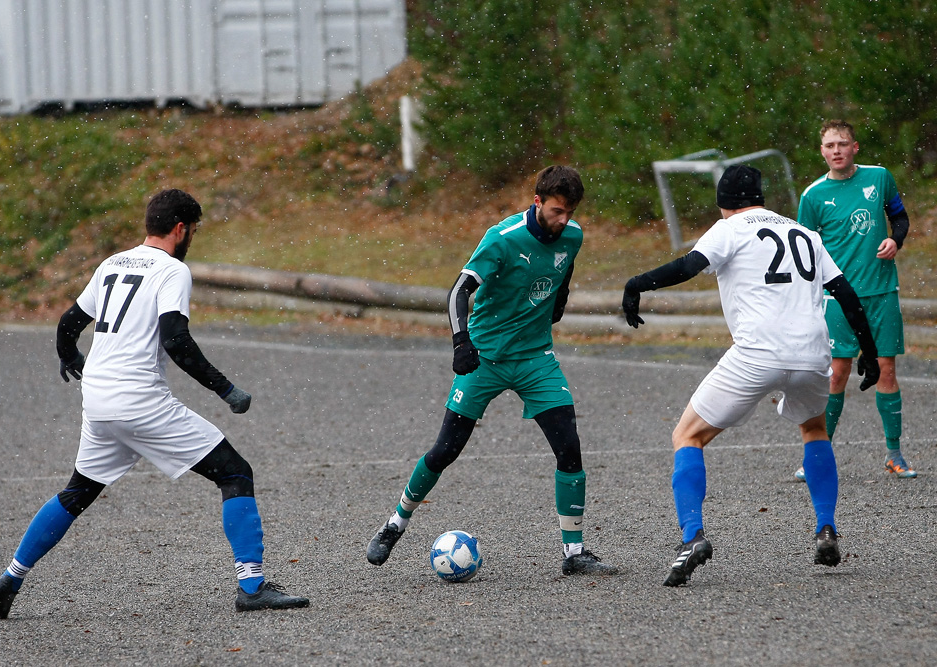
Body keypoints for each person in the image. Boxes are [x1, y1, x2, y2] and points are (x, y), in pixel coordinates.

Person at [0, 189, 309, 618]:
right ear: (180, 229)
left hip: (98, 401)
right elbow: (177, 341)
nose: (191, 237)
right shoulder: (172, 271)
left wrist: (71, 359)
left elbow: (68, 324)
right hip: (140, 402)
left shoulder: (112, 263)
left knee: (77, 491)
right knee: (235, 473)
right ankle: (250, 586)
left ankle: (10, 577)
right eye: (192, 230)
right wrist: (225, 389)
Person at [622, 165, 880, 587]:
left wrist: (638, 284)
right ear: (761, 196)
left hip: (758, 352)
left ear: (724, 202)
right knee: (815, 429)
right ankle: (826, 527)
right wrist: (868, 351)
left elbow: (689, 266)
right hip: (814, 352)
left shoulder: (730, 228)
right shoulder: (804, 233)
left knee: (688, 436)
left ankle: (692, 537)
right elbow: (846, 293)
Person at [366, 165, 618, 577]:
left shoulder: (572, 236)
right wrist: (461, 342)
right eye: (557, 211)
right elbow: (458, 291)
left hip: (536, 359)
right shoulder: (502, 239)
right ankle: (395, 523)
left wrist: (560, 301)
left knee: (569, 448)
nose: (565, 220)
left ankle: (575, 552)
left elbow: (565, 266)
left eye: (571, 212)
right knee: (445, 450)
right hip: (484, 357)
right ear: (536, 202)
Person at [793, 119, 915, 481]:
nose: (836, 151)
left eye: (842, 144)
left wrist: (897, 240)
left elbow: (900, 218)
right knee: (837, 374)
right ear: (822, 151)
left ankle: (894, 453)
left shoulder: (879, 178)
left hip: (881, 293)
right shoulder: (812, 196)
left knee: (887, 371)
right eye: (830, 146)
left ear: (854, 147)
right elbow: (804, 253)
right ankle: (817, 456)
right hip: (837, 298)